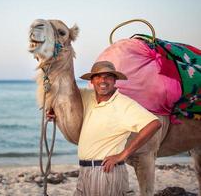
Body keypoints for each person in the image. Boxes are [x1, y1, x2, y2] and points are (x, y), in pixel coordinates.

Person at [48, 61, 162, 196]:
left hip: (106, 172)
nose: (103, 80)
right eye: (98, 76)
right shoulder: (86, 96)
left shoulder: (123, 104)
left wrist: (123, 155)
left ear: (115, 80)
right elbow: (66, 98)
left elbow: (154, 123)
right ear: (92, 80)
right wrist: (54, 112)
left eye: (108, 76)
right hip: (85, 171)